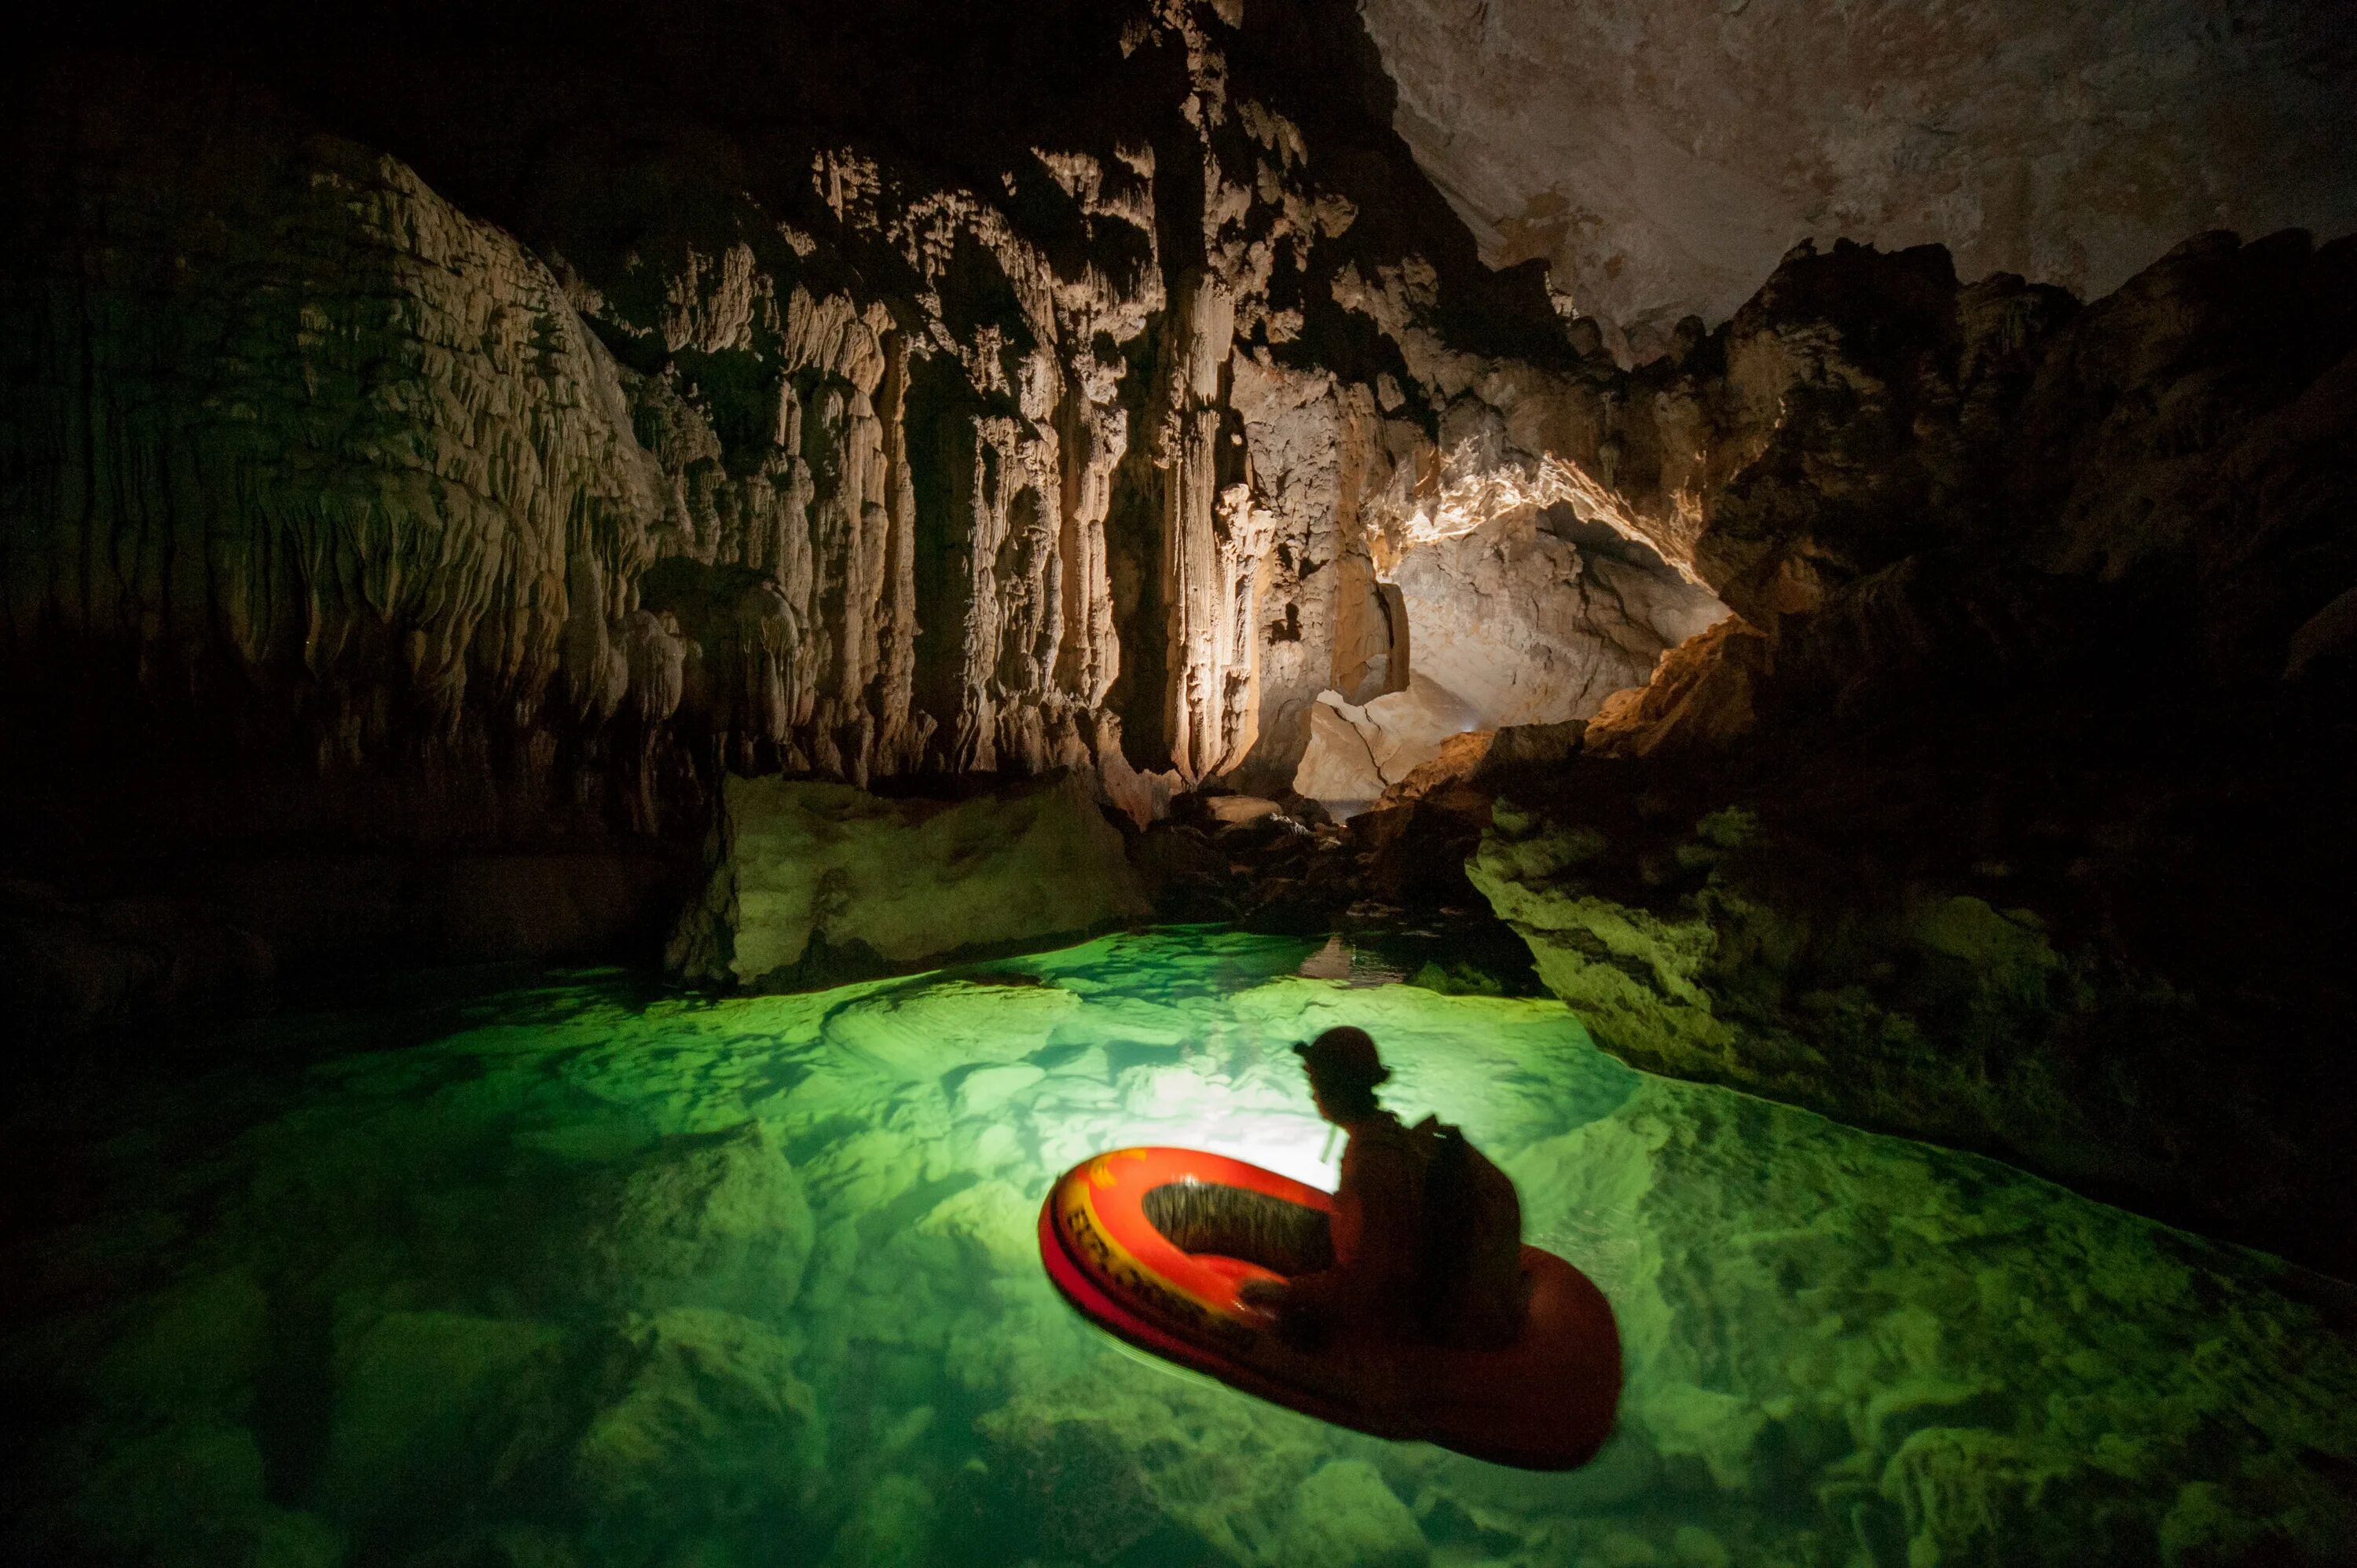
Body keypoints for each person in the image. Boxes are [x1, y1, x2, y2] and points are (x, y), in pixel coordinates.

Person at [1239, 1026, 1527, 1351]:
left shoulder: (1373, 1168)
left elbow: (1369, 1283)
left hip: (1418, 1321)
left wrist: (1291, 1292)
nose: (1311, 1094)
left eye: (1314, 1083)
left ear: (1335, 1090)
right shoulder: (1386, 1138)